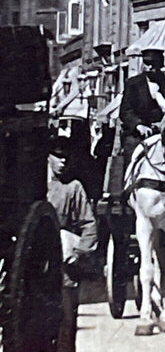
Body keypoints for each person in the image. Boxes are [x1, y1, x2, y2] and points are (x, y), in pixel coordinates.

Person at [47, 136, 98, 352]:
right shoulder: (34, 185)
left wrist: (78, 253)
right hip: (36, 264)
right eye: (58, 157)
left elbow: (89, 225)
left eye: (66, 157)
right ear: (47, 157)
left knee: (66, 322)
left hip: (64, 263)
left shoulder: (73, 187)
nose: (63, 162)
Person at [119, 47, 165, 165]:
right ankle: (130, 180)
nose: (150, 68)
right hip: (139, 133)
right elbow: (126, 111)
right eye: (147, 64)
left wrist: (164, 124)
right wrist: (138, 125)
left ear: (160, 65)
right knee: (132, 151)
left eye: (154, 64)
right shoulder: (133, 84)